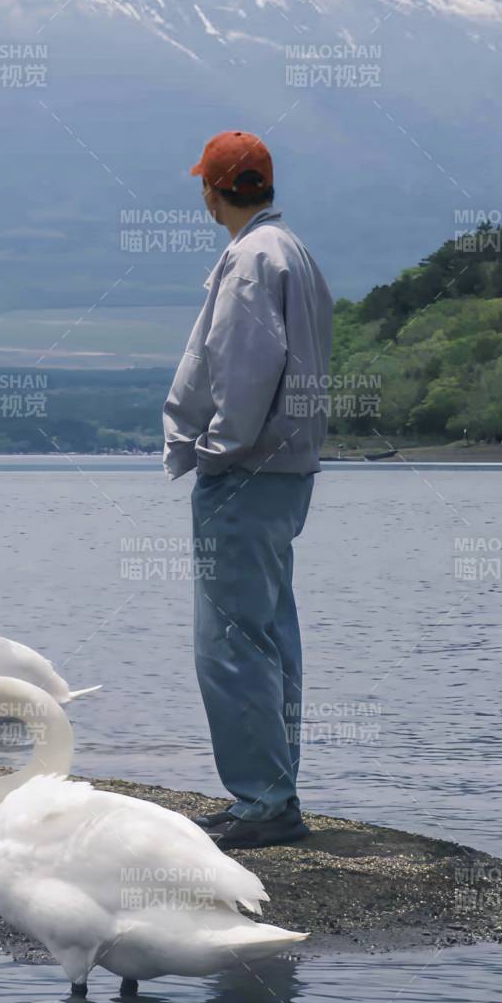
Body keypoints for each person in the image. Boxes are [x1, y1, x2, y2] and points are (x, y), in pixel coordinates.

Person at [163, 130, 333, 849]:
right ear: (262, 183)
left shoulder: (250, 259)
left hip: (244, 473)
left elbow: (241, 362)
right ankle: (273, 793)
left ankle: (262, 803)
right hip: (286, 471)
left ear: (211, 189)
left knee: (229, 642)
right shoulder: (289, 248)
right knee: (267, 636)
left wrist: (215, 451)